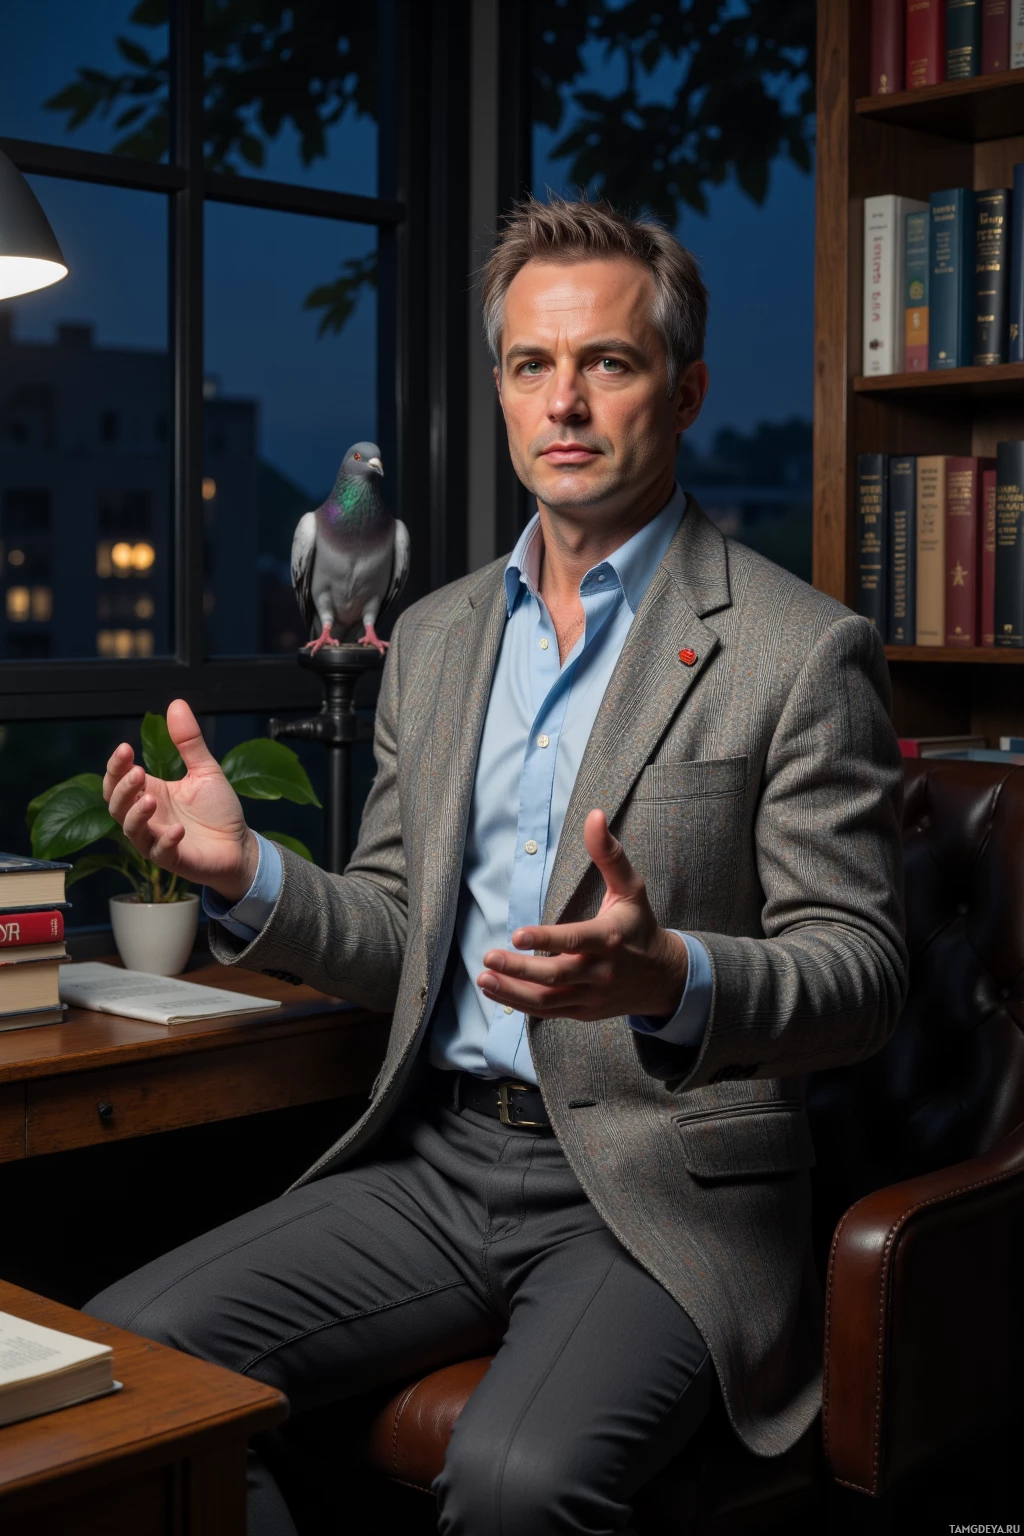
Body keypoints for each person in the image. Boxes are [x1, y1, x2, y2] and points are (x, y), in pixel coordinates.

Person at [90, 195, 908, 1536]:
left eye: (611, 363)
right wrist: (249, 878)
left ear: (685, 390)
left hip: (655, 1191)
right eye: (533, 365)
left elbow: (862, 976)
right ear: (502, 391)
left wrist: (672, 977)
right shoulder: (437, 632)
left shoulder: (800, 651)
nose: (566, 403)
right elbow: (403, 927)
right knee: (137, 1368)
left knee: (518, 1483)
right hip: (439, 1161)